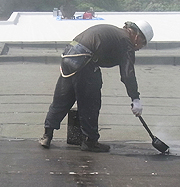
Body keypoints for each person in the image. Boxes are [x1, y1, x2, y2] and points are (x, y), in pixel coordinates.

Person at [39, 20, 154, 152]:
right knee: (91, 103)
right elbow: (127, 74)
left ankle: (47, 135)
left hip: (69, 56)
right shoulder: (126, 41)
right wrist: (135, 98)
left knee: (62, 99)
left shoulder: (115, 32)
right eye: (142, 44)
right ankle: (90, 141)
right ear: (137, 36)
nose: (139, 48)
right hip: (85, 60)